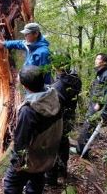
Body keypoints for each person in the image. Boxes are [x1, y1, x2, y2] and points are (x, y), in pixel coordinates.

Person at [3, 65, 63, 194]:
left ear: (26, 87)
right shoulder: (55, 96)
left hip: (31, 161)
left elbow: (21, 142)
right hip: (47, 157)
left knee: (11, 184)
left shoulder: (29, 111)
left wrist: (17, 164)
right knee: (37, 181)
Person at [45, 52, 82, 185]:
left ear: (55, 66)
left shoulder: (57, 86)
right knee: (64, 141)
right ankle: (63, 169)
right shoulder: (76, 79)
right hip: (69, 117)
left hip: (58, 120)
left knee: (53, 146)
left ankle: (51, 178)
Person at [76, 53, 107, 157]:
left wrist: (98, 105)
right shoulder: (99, 73)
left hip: (96, 107)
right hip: (93, 104)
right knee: (87, 127)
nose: (95, 60)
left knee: (88, 128)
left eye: (97, 59)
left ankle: (81, 152)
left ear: (104, 62)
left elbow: (106, 92)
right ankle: (82, 150)